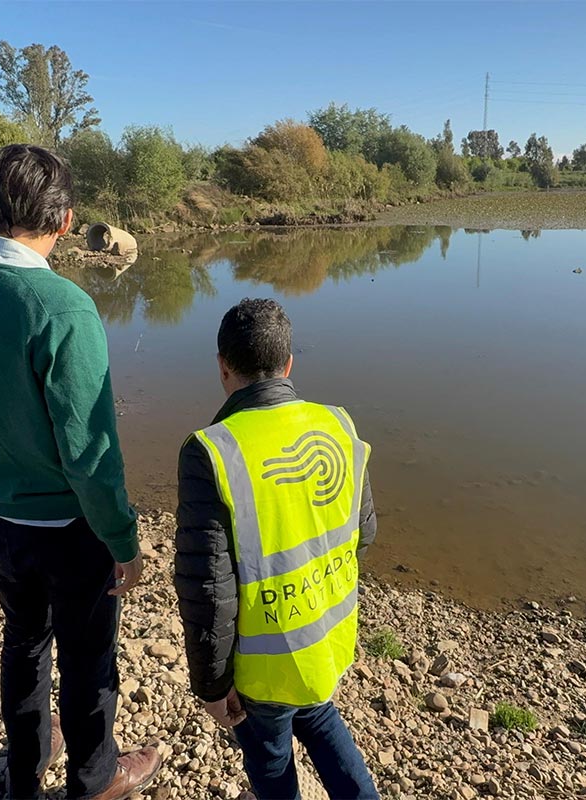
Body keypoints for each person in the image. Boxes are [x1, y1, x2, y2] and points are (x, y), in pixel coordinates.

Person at [0, 143, 161, 800]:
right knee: (86, 655)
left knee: (23, 640)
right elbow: (91, 452)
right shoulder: (61, 304)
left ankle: (25, 773)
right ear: (67, 220)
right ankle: (95, 779)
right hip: (70, 530)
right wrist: (124, 541)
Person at [175, 298, 379, 800]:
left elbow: (209, 591)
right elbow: (365, 533)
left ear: (223, 368)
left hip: (261, 668)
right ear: (289, 365)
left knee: (269, 763)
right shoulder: (338, 424)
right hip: (326, 642)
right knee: (320, 717)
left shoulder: (211, 450)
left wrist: (212, 686)